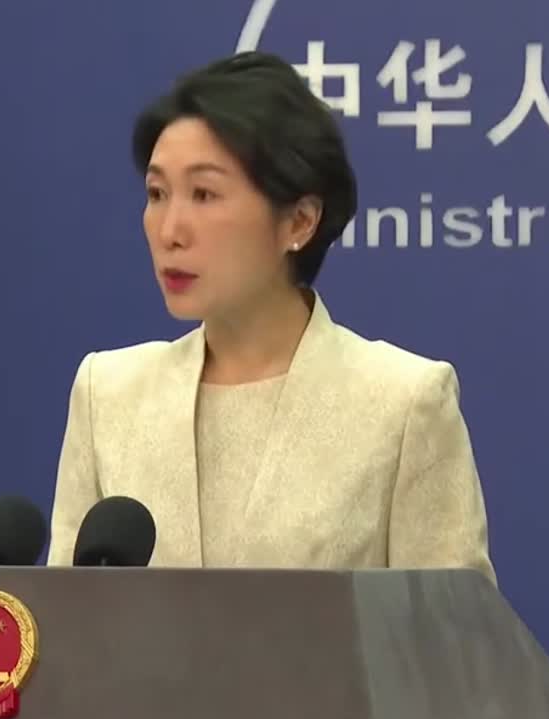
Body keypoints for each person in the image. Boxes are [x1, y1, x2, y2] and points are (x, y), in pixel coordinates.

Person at [46, 51, 496, 585]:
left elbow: (454, 631)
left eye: (204, 194)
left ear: (299, 221)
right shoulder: (107, 396)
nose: (169, 230)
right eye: (157, 194)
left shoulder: (404, 403)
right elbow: (66, 620)